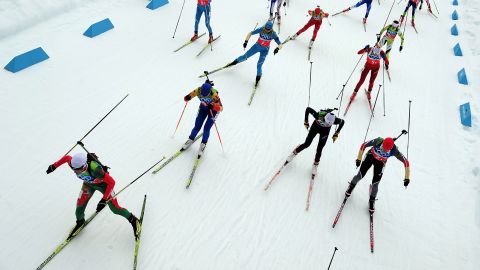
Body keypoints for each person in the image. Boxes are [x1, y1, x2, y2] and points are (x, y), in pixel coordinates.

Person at [46, 152, 141, 239]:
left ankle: (133, 220)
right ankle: (80, 222)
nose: (76, 172)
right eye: (74, 170)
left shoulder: (96, 170)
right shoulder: (73, 164)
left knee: (115, 209)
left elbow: (112, 182)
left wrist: (103, 200)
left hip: (104, 186)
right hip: (88, 184)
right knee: (79, 208)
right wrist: (54, 166)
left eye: (78, 170)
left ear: (84, 166)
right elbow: (66, 158)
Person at [344, 137, 410, 212]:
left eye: (387, 149)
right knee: (360, 175)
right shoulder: (378, 141)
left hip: (380, 163)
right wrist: (359, 159)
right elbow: (364, 145)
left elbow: (406, 162)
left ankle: (372, 201)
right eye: (383, 148)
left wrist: (407, 178)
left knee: (375, 184)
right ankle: (351, 186)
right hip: (370, 157)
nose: (385, 150)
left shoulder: (394, 150)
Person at [284, 108, 345, 176]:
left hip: (325, 132)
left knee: (320, 149)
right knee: (307, 144)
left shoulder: (335, 120)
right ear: (324, 118)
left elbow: (342, 122)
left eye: (328, 124)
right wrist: (306, 121)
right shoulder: (318, 115)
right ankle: (294, 153)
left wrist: (337, 133)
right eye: (326, 122)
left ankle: (315, 165)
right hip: (315, 127)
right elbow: (308, 109)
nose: (326, 124)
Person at [224, 21, 283, 86]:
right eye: (265, 28)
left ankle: (258, 78)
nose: (266, 30)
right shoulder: (261, 29)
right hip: (257, 46)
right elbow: (250, 33)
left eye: (268, 30)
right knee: (245, 56)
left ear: (271, 29)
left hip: (265, 50)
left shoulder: (273, 34)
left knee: (259, 65)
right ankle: (234, 62)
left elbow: (280, 44)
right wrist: (246, 42)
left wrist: (277, 49)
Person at [182, 80, 223, 157]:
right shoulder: (198, 90)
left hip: (213, 111)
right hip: (203, 108)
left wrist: (214, 106)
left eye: (206, 96)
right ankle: (190, 139)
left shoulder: (214, 94)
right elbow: (189, 95)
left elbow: (221, 108)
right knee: (197, 126)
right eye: (202, 96)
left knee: (206, 128)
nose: (203, 97)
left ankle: (203, 144)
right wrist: (187, 98)